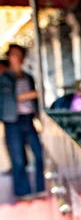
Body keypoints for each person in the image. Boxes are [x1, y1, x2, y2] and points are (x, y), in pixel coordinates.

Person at [0, 44, 44, 199]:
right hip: (12, 121)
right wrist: (25, 96)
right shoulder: (3, 78)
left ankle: (41, 187)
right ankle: (23, 192)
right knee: (18, 159)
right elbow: (4, 100)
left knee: (40, 155)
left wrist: (39, 117)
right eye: (13, 55)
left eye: (19, 55)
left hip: (28, 119)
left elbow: (36, 99)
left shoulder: (28, 77)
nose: (17, 58)